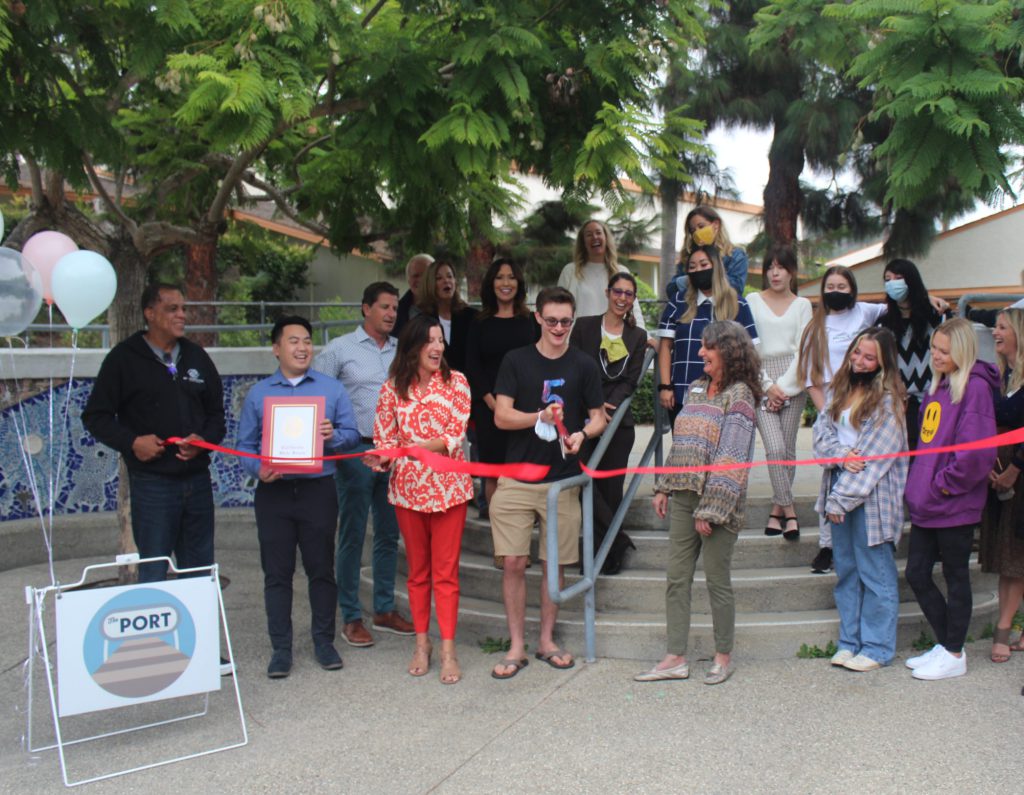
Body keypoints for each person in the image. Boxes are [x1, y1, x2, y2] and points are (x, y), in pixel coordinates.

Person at [489, 286, 607, 679]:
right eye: (552, 320)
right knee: (513, 562)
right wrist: (538, 417)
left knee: (554, 565)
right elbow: (501, 417)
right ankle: (516, 645)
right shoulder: (516, 360)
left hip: (562, 481)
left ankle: (546, 640)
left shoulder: (584, 364)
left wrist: (582, 435)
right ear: (537, 317)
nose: (559, 328)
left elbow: (598, 417)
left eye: (566, 322)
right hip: (517, 477)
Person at [635, 320, 760, 686]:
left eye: (709, 347)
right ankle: (675, 657)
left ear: (730, 352)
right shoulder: (694, 389)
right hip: (685, 497)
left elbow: (732, 457)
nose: (700, 353)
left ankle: (723, 655)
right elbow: (683, 445)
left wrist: (712, 509)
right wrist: (664, 487)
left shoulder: (740, 396)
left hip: (718, 504)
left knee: (717, 581)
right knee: (677, 578)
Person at [236, 316, 360, 678]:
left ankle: (323, 642)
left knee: (321, 568)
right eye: (293, 341)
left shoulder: (331, 389)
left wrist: (332, 435)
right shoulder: (260, 394)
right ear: (277, 349)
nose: (303, 347)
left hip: (318, 490)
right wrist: (256, 469)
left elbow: (352, 435)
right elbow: (244, 446)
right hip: (273, 493)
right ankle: (281, 649)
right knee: (277, 573)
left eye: (307, 340)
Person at [83, 283, 226, 583]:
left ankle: (197, 629)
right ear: (150, 313)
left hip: (197, 482)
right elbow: (96, 416)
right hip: (153, 485)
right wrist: (132, 442)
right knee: (153, 570)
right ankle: (157, 630)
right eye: (172, 309)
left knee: (199, 572)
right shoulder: (123, 359)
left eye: (183, 309)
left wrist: (204, 442)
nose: (182, 315)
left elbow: (216, 416)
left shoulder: (197, 356)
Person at [363, 314, 475, 685]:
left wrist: (407, 448)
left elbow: (453, 436)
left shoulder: (457, 383)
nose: (437, 346)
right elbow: (384, 439)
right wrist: (380, 457)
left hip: (449, 492)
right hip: (408, 493)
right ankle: (421, 645)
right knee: (417, 574)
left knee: (446, 575)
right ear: (412, 346)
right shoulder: (392, 388)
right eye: (429, 340)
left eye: (440, 339)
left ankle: (448, 650)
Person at [312, 282, 415, 649]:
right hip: (355, 450)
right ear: (365, 309)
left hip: (394, 454)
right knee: (353, 534)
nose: (391, 314)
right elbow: (318, 396)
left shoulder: (403, 351)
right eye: (384, 307)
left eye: (394, 308)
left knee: (388, 534)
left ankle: (384, 610)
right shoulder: (339, 350)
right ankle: (351, 616)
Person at [904, 318, 998, 680]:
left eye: (945, 350)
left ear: (962, 351)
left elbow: (976, 454)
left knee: (956, 576)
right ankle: (948, 645)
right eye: (934, 349)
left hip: (953, 504)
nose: (937, 355)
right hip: (928, 503)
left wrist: (943, 484)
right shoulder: (937, 387)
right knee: (916, 573)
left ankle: (954, 651)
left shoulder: (973, 389)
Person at [812, 328, 909, 672]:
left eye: (869, 358)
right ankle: (849, 642)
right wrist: (840, 455)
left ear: (883, 363)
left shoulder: (889, 401)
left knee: (875, 574)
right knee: (847, 573)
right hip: (839, 485)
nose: (860, 362)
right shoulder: (840, 389)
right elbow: (821, 437)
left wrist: (840, 500)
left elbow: (873, 458)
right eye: (857, 354)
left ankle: (877, 647)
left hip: (871, 497)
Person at [797, 267, 886, 574]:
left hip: (864, 404)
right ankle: (827, 545)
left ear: (852, 288)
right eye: (831, 285)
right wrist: (828, 414)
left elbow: (904, 305)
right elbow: (810, 378)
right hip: (832, 408)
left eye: (842, 285)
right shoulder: (815, 325)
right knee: (831, 476)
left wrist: (934, 300)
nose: (836, 289)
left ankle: (863, 541)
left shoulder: (866, 311)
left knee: (859, 467)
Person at [570, 272, 648, 574]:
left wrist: (607, 407)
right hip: (584, 419)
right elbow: (574, 365)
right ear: (607, 292)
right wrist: (592, 405)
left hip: (617, 422)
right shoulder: (585, 326)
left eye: (629, 294)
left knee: (611, 490)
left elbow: (630, 381)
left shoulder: (637, 336)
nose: (623, 298)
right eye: (618, 291)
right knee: (583, 482)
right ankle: (617, 542)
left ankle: (602, 557)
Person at [746, 247, 812, 540]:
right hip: (760, 377)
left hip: (794, 381)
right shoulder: (752, 301)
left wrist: (782, 389)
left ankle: (776, 510)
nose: (775, 273)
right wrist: (766, 386)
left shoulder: (803, 305)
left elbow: (804, 350)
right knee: (773, 449)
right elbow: (748, 347)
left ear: (791, 272)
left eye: (781, 267)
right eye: (770, 267)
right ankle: (791, 511)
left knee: (786, 451)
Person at [464, 258, 538, 512]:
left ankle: (523, 525)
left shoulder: (530, 321)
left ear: (519, 283)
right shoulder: (479, 322)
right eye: (499, 277)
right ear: (491, 284)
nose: (505, 283)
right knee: (494, 473)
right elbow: (472, 366)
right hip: (490, 410)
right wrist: (494, 403)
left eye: (511, 277)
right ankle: (500, 538)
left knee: (523, 470)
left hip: (526, 410)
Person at [656, 244, 758, 417]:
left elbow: (751, 353)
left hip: (727, 397)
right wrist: (665, 386)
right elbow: (665, 347)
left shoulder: (738, 304)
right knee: (684, 444)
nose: (698, 270)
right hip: (682, 395)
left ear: (717, 266)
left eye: (704, 265)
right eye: (692, 267)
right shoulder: (677, 302)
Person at [979, 309, 1024, 664]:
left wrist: (1014, 468)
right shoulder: (1000, 375)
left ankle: (1003, 631)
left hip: (1020, 470)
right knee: (1010, 553)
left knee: (1015, 556)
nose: (995, 332)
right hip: (997, 468)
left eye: (1002, 326)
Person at [877, 258, 947, 449]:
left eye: (898, 277)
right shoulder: (884, 323)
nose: (893, 283)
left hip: (936, 396)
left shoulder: (937, 316)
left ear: (911, 279)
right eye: (888, 279)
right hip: (902, 402)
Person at [557, 219, 645, 327]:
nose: (595, 237)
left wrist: (644, 337)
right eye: (589, 235)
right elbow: (558, 310)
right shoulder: (570, 271)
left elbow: (634, 310)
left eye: (598, 233)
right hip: (578, 341)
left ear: (606, 238)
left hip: (614, 341)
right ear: (583, 242)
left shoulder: (621, 271)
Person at [667, 205, 749, 300]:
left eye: (701, 226)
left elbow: (737, 288)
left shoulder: (735, 255)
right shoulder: (689, 257)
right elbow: (671, 290)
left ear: (716, 225)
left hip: (724, 311)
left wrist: (708, 276)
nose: (697, 233)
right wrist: (689, 280)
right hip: (693, 310)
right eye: (693, 230)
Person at [414, 259, 477, 374]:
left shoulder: (472, 317)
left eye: (450, 276)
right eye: (439, 278)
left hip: (468, 387)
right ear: (430, 284)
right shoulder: (421, 322)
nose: (446, 281)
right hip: (435, 387)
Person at [394, 253, 433, 338]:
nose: (421, 280)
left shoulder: (447, 310)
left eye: (426, 275)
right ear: (408, 280)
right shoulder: (395, 312)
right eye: (415, 276)